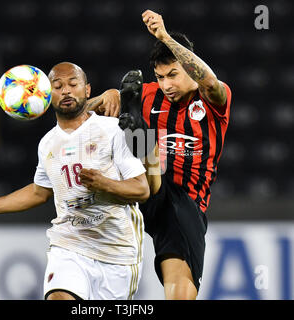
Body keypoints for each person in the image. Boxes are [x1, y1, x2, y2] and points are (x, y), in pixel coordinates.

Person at [0, 62, 150, 300]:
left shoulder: (112, 130)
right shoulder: (48, 143)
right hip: (69, 246)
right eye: (57, 86)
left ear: (87, 90)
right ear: (47, 95)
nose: (66, 91)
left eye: (73, 84)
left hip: (117, 252)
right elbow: (39, 192)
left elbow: (141, 189)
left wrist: (104, 184)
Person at [91, 10, 232, 300]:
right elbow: (79, 116)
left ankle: (141, 142)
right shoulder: (147, 93)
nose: (166, 85)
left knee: (179, 290)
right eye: (159, 77)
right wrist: (104, 97)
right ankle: (139, 143)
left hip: (184, 201)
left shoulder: (214, 99)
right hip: (139, 188)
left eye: (173, 75)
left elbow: (208, 82)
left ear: (189, 68)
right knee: (120, 117)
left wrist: (165, 37)